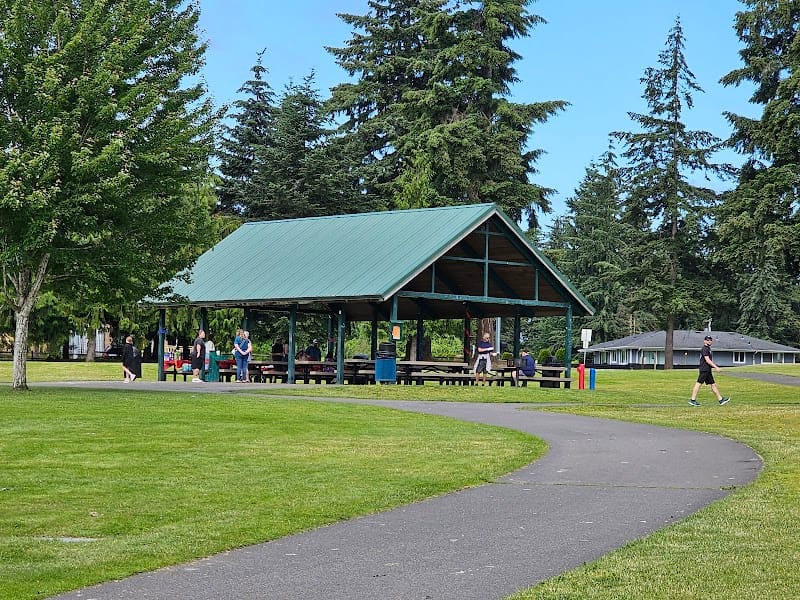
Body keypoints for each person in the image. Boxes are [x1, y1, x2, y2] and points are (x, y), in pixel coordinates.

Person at [689, 335, 730, 406]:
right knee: (698, 384)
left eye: (710, 340)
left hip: (708, 370)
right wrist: (716, 367)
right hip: (704, 369)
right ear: (704, 341)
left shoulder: (708, 348)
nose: (709, 341)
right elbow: (707, 360)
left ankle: (721, 400)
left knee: (713, 384)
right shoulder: (705, 349)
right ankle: (692, 400)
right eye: (708, 340)